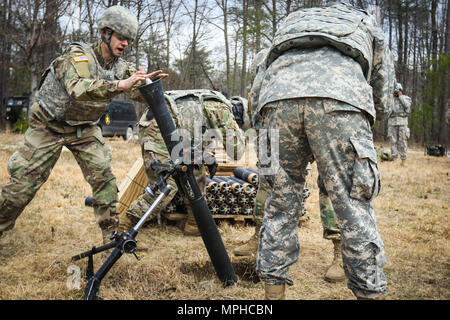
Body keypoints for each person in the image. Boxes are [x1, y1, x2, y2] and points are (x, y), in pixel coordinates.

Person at [254, 2, 394, 300]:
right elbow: (382, 83)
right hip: (341, 100)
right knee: (352, 204)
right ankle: (369, 292)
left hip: (276, 100)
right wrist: (372, 116)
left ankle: (272, 296)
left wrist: (260, 119)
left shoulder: (293, 20)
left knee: (278, 204)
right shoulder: (363, 20)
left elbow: (260, 71)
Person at [0, 6, 168, 243]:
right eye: (121, 38)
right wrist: (121, 85)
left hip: (84, 128)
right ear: (105, 34)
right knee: (23, 186)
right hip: (48, 125)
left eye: (128, 40)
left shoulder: (121, 67)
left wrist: (150, 86)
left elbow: (136, 91)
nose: (125, 44)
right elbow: (78, 89)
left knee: (105, 179)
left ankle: (111, 237)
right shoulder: (79, 56)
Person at [233, 48, 346, 284]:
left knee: (332, 185)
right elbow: (255, 105)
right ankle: (260, 236)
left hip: (324, 118)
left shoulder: (322, 65)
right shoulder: (266, 62)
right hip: (283, 126)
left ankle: (341, 253)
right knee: (270, 180)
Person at [117, 89, 245, 236]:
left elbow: (192, 129)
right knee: (165, 185)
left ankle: (194, 223)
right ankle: (124, 228)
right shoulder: (221, 108)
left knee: (196, 170)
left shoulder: (208, 102)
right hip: (158, 126)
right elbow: (236, 151)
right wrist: (238, 131)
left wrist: (204, 156)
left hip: (167, 124)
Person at [387, 82, 412, 166]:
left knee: (402, 141)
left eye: (398, 91)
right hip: (392, 121)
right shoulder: (390, 99)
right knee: (392, 140)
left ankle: (403, 160)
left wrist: (400, 96)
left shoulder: (406, 98)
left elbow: (407, 106)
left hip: (402, 122)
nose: (396, 93)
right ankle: (394, 158)